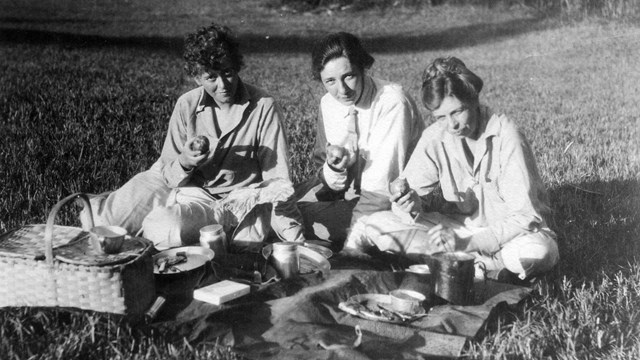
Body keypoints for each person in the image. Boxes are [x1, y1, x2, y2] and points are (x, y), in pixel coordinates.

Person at [86, 23, 305, 249]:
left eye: (228, 73)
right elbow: (168, 173)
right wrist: (185, 161)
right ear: (197, 78)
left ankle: (148, 234)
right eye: (211, 77)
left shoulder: (263, 106)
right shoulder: (187, 104)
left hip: (230, 201)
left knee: (164, 227)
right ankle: (113, 214)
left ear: (237, 67)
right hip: (179, 184)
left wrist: (296, 241)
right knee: (103, 222)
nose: (223, 85)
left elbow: (278, 181)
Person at [348, 56, 559, 282]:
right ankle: (479, 267)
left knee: (538, 252)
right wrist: (411, 205)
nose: (452, 124)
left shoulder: (507, 136)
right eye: (441, 117)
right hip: (459, 230)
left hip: (511, 236)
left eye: (458, 111)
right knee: (372, 224)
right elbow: (408, 201)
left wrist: (465, 244)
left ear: (473, 99)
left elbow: (525, 217)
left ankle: (470, 264)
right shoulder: (436, 136)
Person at [296, 32, 424, 250]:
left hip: (396, 204)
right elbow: (322, 172)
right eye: (330, 81)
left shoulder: (391, 101)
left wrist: (351, 248)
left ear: (362, 67)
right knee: (279, 214)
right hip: (349, 199)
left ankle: (369, 242)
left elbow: (380, 189)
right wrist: (334, 168)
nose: (342, 90)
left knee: (367, 233)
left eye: (349, 76)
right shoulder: (328, 103)